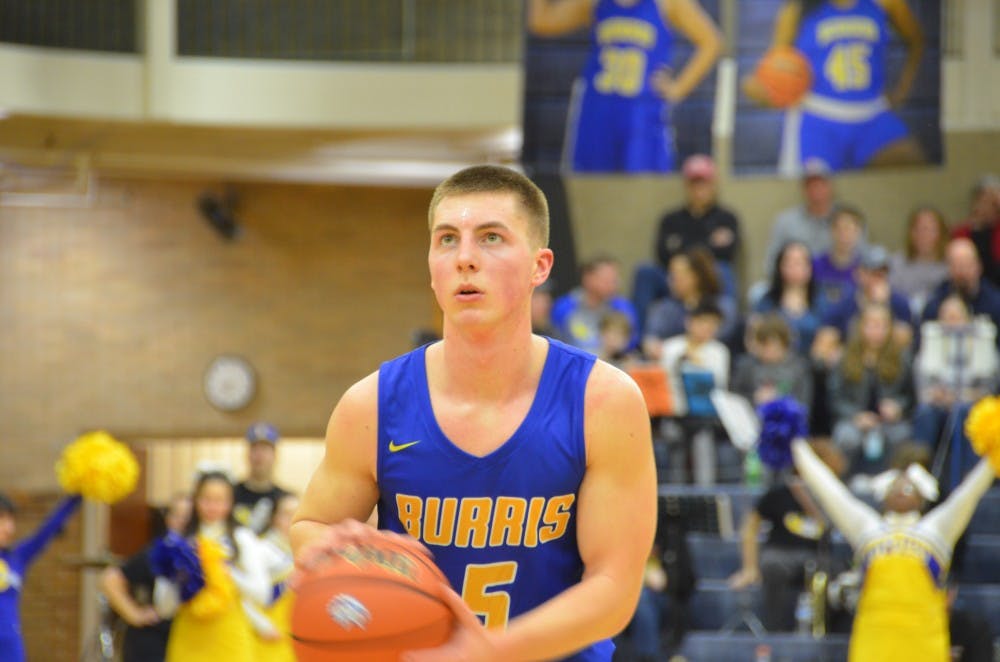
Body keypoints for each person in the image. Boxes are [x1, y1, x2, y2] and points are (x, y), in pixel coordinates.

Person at [290, 165, 657, 661]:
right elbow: (310, 525)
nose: (464, 258)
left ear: (540, 266)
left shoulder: (604, 401)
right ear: (431, 265)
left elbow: (614, 590)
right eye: (446, 240)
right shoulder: (371, 404)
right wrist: (335, 550)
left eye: (490, 238)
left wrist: (487, 652)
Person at [788, 425, 997, 661]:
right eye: (896, 486)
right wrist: (795, 444)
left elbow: (969, 493)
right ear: (883, 495)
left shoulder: (937, 528)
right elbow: (830, 490)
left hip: (923, 639)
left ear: (922, 498)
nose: (902, 489)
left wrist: (994, 449)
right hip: (874, 638)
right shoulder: (867, 527)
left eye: (910, 488)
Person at [527, 0, 722, 173]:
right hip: (598, 111)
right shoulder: (593, 3)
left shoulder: (669, 3)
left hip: (643, 114)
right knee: (592, 188)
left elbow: (712, 42)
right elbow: (542, 22)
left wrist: (678, 89)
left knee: (644, 190)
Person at [743, 0, 926, 175]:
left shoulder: (886, 2)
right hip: (818, 116)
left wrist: (902, 90)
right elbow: (772, 67)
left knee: (915, 168)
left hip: (872, 114)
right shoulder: (796, 9)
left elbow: (916, 40)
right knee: (814, 192)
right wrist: (759, 89)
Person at [155, 470, 274, 661]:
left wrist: (225, 571)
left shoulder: (241, 539)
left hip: (230, 636)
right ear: (195, 500)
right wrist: (178, 576)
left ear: (231, 502)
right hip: (189, 635)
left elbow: (262, 593)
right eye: (206, 499)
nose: (212, 506)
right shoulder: (181, 542)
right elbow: (163, 607)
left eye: (220, 500)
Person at [728, 438, 846, 632]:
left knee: (837, 574)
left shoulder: (833, 496)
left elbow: (831, 526)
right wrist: (749, 568)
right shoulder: (779, 493)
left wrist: (808, 499)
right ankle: (776, 632)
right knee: (772, 565)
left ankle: (828, 633)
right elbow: (749, 527)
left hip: (818, 555)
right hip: (781, 553)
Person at [632, 154, 742, 326]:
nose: (699, 189)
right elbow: (662, 254)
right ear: (686, 186)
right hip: (674, 275)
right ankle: (641, 339)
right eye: (694, 183)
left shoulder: (726, 218)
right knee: (645, 271)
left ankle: (725, 330)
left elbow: (727, 253)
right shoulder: (670, 219)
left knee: (724, 270)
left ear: (713, 185)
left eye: (703, 183)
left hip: (709, 275)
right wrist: (707, 244)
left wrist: (683, 245)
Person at [100, 493, 192, 662]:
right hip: (152, 642)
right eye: (177, 515)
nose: (182, 521)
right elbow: (110, 579)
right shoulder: (159, 551)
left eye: (187, 516)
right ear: (168, 519)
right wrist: (134, 614)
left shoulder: (200, 552)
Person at [827, 303, 914, 475]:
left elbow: (910, 397)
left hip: (889, 422)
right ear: (861, 327)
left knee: (901, 435)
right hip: (854, 419)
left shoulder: (902, 357)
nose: (876, 331)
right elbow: (835, 398)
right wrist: (855, 415)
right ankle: (845, 484)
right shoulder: (845, 357)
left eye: (882, 326)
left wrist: (898, 407)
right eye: (871, 325)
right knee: (847, 437)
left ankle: (892, 484)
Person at [0, 492, 82, 662]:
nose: (9, 528)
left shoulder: (17, 557)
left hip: (10, 645)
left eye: (11, 520)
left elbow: (46, 532)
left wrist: (78, 494)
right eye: (2, 520)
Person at [642, 247, 740, 359]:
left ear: (695, 277)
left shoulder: (723, 305)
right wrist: (651, 346)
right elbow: (650, 337)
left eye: (676, 276)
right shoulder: (665, 308)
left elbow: (719, 336)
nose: (670, 281)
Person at [761, 159, 840, 277]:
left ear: (830, 186)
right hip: (795, 284)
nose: (816, 189)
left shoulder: (846, 220)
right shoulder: (785, 221)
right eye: (811, 185)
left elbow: (862, 257)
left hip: (837, 284)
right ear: (803, 189)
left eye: (820, 184)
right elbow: (770, 263)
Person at [552, 254, 640, 355]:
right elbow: (556, 342)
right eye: (607, 279)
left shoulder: (623, 307)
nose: (614, 284)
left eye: (615, 279)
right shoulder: (564, 307)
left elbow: (633, 342)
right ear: (587, 278)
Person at [921, 238, 1000, 348]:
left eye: (966, 265)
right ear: (948, 269)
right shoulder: (935, 305)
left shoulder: (995, 304)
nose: (962, 272)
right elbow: (921, 349)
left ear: (978, 266)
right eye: (956, 265)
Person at [752, 241, 825, 354]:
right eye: (788, 262)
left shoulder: (821, 301)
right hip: (773, 363)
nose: (794, 268)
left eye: (799, 263)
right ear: (780, 267)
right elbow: (754, 337)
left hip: (810, 364)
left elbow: (829, 337)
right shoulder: (766, 301)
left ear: (809, 268)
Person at [732, 314, 813, 414]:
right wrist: (754, 398)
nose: (768, 351)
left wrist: (779, 401)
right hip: (751, 417)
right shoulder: (746, 365)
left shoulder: (799, 368)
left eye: (774, 347)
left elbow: (803, 404)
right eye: (764, 347)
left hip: (786, 421)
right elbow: (734, 398)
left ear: (785, 346)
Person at [888, 205, 950, 318]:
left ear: (941, 233)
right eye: (918, 229)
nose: (924, 235)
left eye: (930, 230)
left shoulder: (950, 265)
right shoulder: (897, 262)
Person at [233, 422, 288, 535]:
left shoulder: (285, 499)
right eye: (255, 449)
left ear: (275, 455)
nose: (259, 455)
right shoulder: (231, 494)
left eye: (264, 449)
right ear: (247, 454)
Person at [950, 175, 1000, 288]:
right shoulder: (960, 232)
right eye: (983, 200)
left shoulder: (998, 231)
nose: (986, 207)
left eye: (992, 203)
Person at [812, 205, 866, 308]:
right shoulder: (814, 265)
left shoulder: (866, 268)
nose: (845, 235)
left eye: (850, 229)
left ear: (859, 232)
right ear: (831, 231)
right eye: (840, 229)